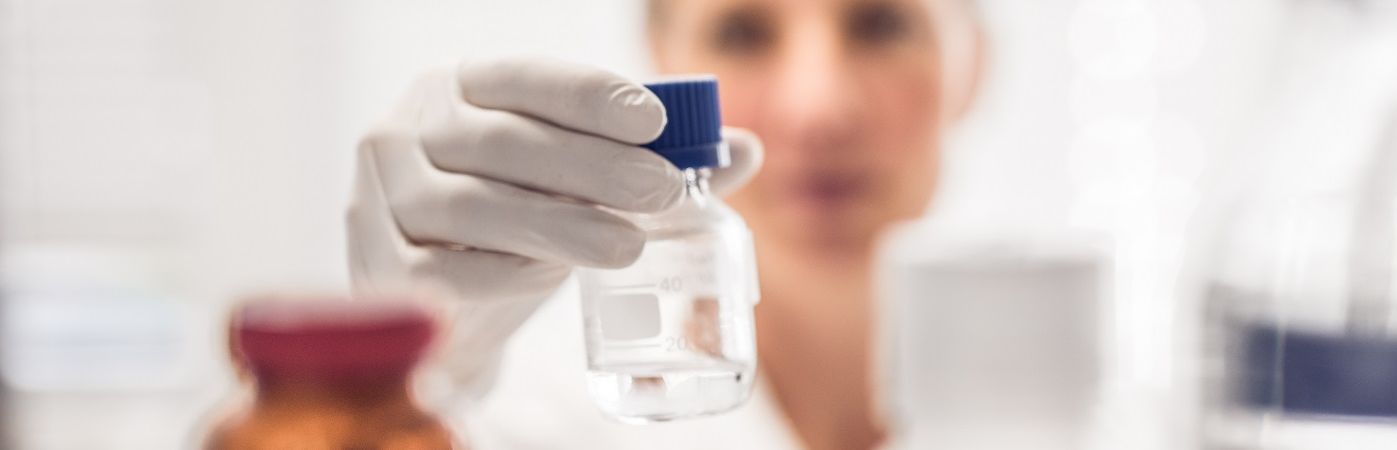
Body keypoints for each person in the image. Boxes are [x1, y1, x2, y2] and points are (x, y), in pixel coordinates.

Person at [346, 0, 984, 448]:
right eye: (742, 31)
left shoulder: (1070, 408)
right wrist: (402, 393)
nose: (819, 108)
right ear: (662, 58)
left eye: (880, 24)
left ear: (973, 62)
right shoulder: (543, 427)